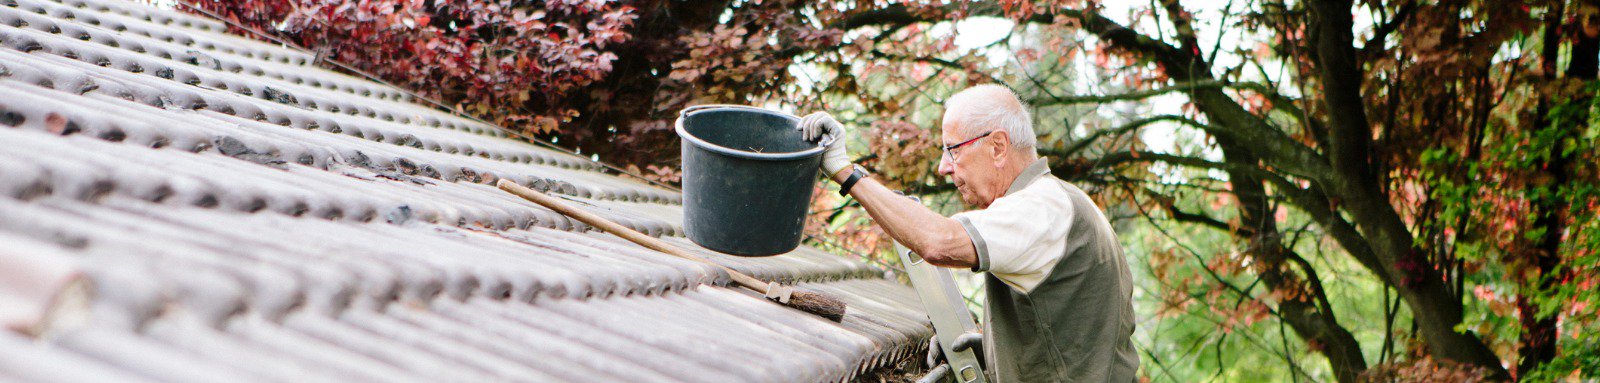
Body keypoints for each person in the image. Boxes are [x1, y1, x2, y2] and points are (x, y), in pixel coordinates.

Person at [799, 84, 1139, 382]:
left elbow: (938, 242)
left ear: (998, 147)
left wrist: (846, 172)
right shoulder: (1066, 200)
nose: (943, 167)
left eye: (953, 149)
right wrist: (994, 350)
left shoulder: (1042, 207)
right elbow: (1068, 330)